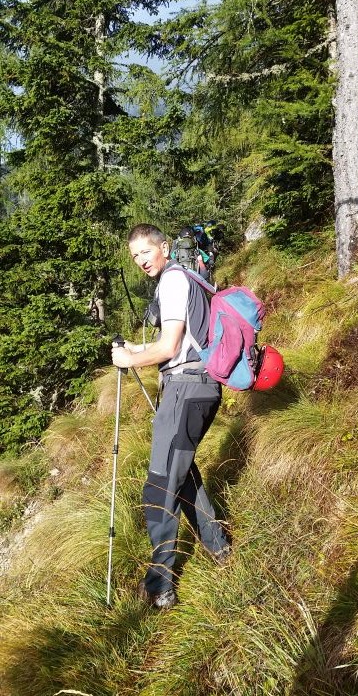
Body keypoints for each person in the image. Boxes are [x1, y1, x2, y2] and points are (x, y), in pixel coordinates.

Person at [111, 223, 231, 610]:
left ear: (164, 247)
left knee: (160, 488)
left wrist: (129, 360)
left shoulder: (173, 281)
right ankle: (220, 549)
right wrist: (136, 348)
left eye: (146, 251)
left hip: (185, 391)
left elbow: (169, 347)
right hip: (201, 386)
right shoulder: (189, 278)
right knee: (183, 475)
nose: (141, 261)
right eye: (135, 256)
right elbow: (182, 343)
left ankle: (159, 587)